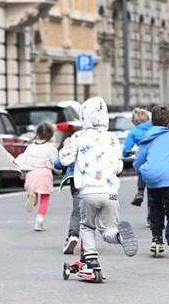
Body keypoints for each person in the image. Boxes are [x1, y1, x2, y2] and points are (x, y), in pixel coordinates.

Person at [58, 96, 137, 274]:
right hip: (110, 192)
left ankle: (91, 262)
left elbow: (65, 160)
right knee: (108, 229)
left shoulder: (79, 136)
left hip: (88, 191)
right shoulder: (113, 139)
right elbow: (119, 166)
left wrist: (66, 146)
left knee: (87, 226)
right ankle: (119, 236)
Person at [132, 105, 169, 258]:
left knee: (155, 207)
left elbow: (138, 163)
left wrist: (142, 170)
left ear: (151, 122)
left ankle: (156, 239)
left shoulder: (146, 138)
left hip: (151, 180)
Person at [16, 121, 60, 231]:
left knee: (33, 193)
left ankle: (31, 197)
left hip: (31, 174)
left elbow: (22, 160)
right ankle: (39, 222)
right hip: (44, 174)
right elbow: (56, 164)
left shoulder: (30, 147)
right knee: (44, 199)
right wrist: (59, 171)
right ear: (50, 135)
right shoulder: (51, 148)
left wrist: (23, 173)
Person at [122, 108, 152, 207]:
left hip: (144, 159)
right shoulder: (154, 128)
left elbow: (126, 151)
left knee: (142, 166)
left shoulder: (134, 132)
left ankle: (140, 191)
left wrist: (128, 154)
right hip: (157, 158)